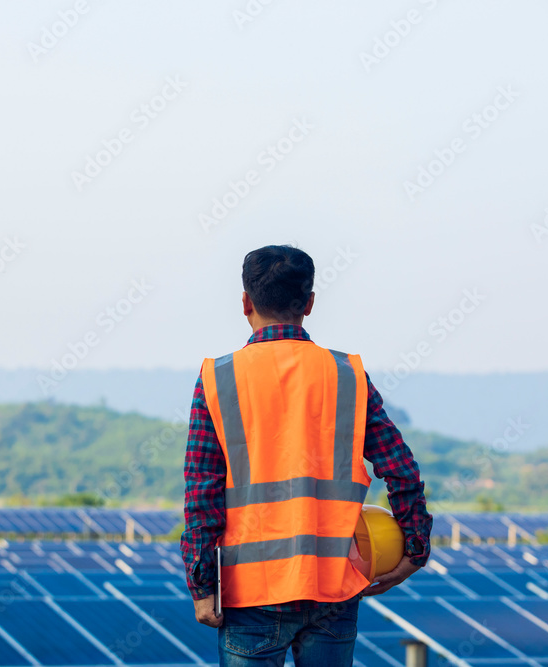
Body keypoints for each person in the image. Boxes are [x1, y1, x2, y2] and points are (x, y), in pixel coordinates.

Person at [180, 244, 433, 666]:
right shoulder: (347, 374)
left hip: (251, 591)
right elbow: (401, 469)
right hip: (335, 583)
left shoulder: (218, 379)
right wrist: (415, 548)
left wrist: (202, 583)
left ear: (245, 302)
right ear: (310, 303)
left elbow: (201, 492)